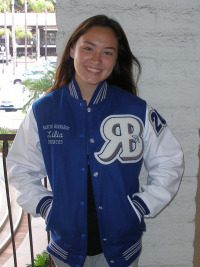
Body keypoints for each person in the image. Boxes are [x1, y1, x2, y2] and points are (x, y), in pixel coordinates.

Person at [7, 15, 184, 267]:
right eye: (88, 48)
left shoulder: (137, 109)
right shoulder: (43, 111)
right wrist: (46, 206)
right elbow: (20, 169)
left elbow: (171, 163)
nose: (97, 60)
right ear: (72, 50)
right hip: (66, 248)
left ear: (116, 58)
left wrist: (141, 207)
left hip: (122, 248)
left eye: (108, 52)